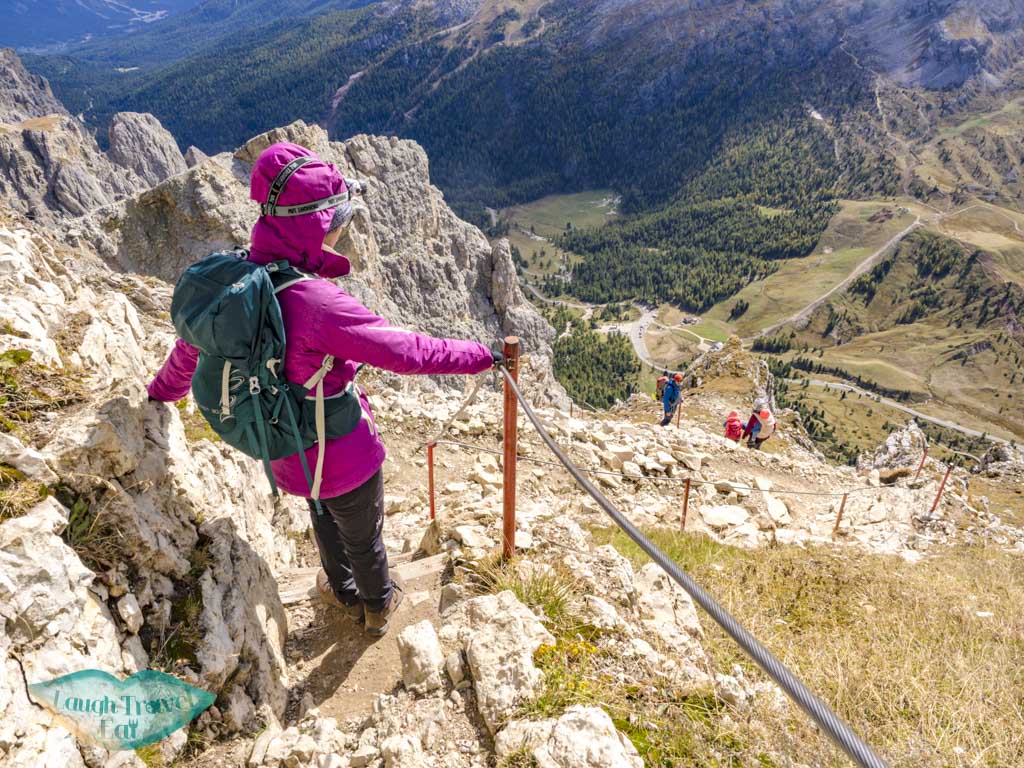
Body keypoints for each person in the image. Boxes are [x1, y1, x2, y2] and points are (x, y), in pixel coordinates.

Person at [147, 142, 498, 637]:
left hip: (286, 450)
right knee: (364, 536)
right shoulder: (317, 304)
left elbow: (189, 350)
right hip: (345, 454)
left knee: (323, 521)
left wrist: (159, 394)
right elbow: (407, 352)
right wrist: (481, 356)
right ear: (312, 226)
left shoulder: (233, 286)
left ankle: (341, 590)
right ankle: (378, 606)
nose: (340, 233)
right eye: (336, 222)